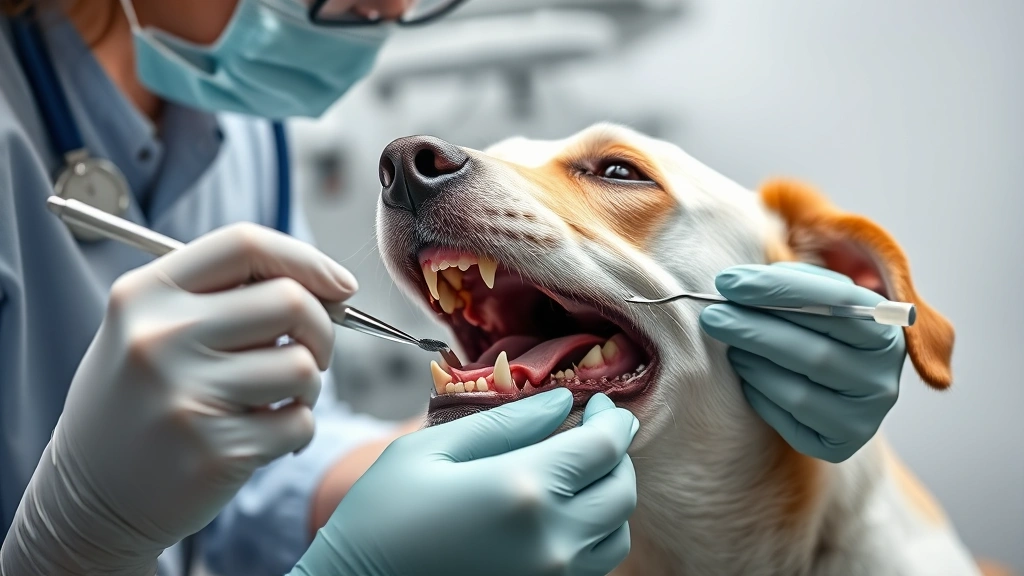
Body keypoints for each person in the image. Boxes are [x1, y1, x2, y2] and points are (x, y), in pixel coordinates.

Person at [0, 1, 908, 575]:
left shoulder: (247, 134)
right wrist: (73, 544)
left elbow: (262, 483)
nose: (388, 12)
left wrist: (400, 491)